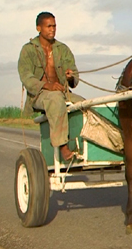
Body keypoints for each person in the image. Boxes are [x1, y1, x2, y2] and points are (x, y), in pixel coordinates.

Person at [18, 12, 83, 161]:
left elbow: (74, 73)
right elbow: (26, 77)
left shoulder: (62, 49)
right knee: (55, 99)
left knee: (86, 105)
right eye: (48, 26)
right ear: (38, 28)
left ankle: (85, 145)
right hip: (39, 95)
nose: (52, 29)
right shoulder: (28, 50)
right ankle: (63, 146)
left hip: (62, 93)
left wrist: (70, 76)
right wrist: (48, 85)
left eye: (54, 26)